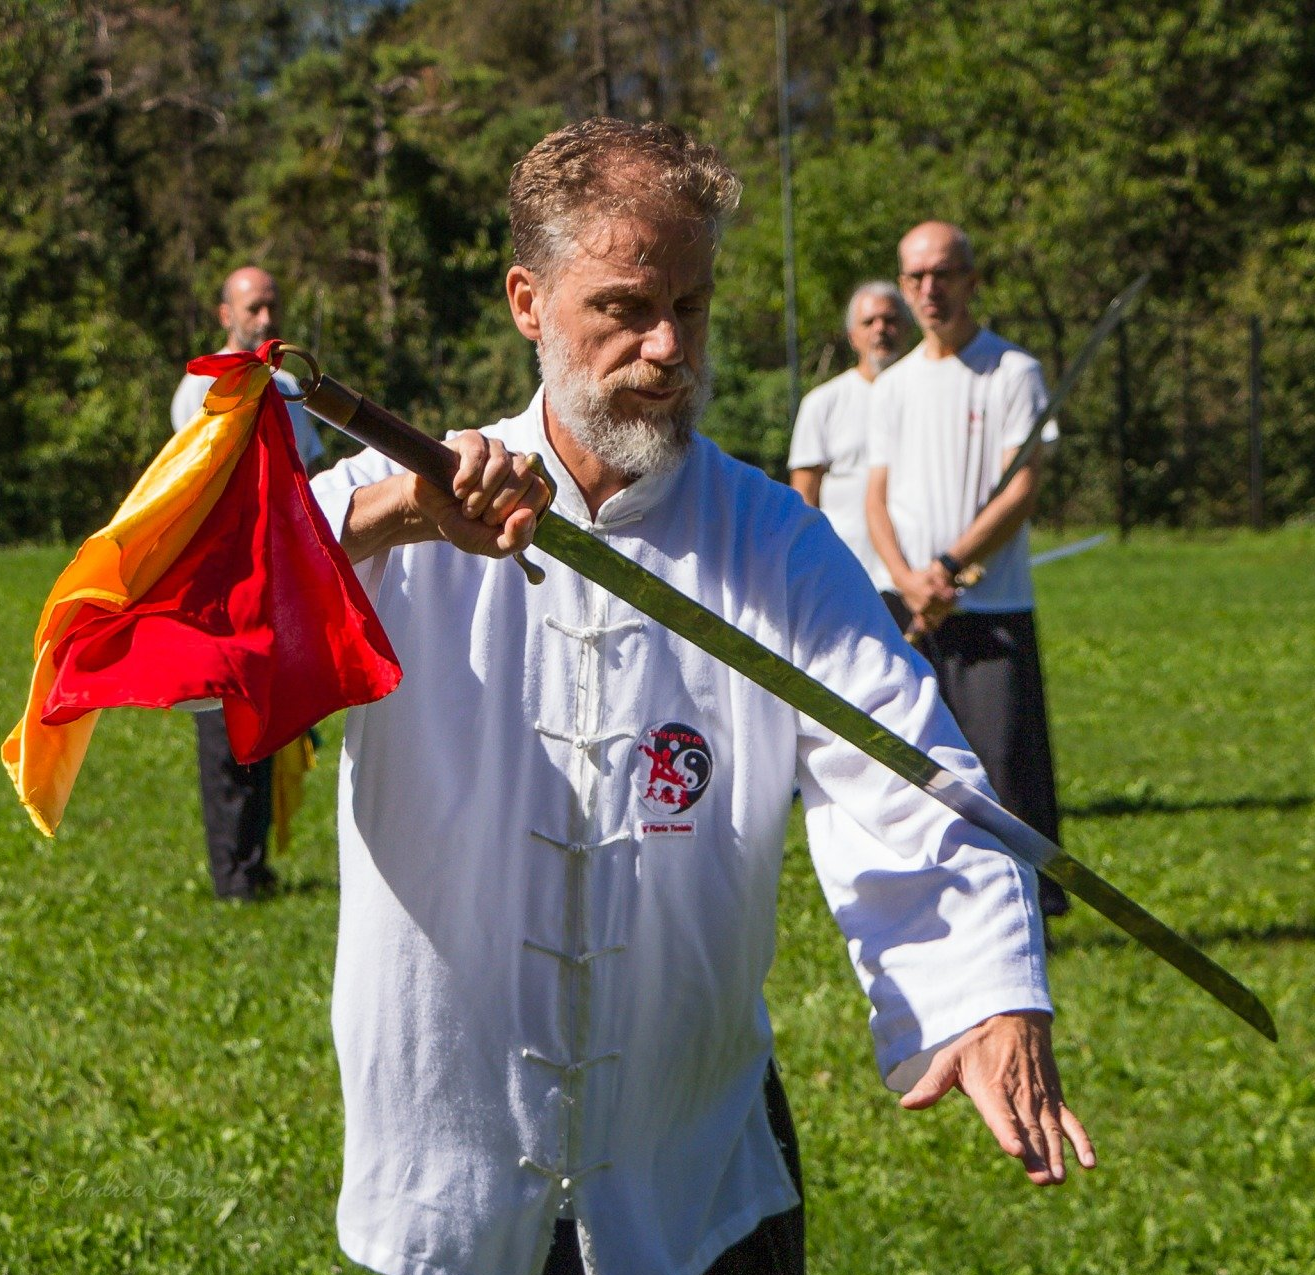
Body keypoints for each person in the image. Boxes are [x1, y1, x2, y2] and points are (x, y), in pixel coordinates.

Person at [311, 123, 1092, 1275]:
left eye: (694, 301)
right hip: (448, 1183)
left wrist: (982, 991)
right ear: (529, 301)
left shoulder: (773, 542)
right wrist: (395, 522)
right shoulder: (391, 502)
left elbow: (907, 771)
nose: (668, 344)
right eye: (625, 307)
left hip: (691, 1186)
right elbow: (186, 613)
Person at [863, 220, 1069, 921]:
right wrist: (906, 576)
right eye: (915, 276)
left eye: (942, 274)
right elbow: (874, 495)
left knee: (1005, 767)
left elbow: (1020, 490)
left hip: (990, 606)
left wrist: (951, 565)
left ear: (971, 281)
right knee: (912, 763)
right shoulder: (890, 386)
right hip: (910, 604)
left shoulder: (1011, 371)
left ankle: (1028, 906)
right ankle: (938, 903)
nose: (928, 289)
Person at [170, 266, 326, 900]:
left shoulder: (285, 383)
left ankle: (255, 865)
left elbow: (314, 470)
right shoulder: (202, 387)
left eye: (272, 306)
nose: (266, 319)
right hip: (226, 581)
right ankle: (232, 874)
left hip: (280, 576)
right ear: (225, 315)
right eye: (254, 308)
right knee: (225, 727)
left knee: (269, 720)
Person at [787, 281, 911, 581]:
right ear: (852, 336)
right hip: (848, 572)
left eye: (890, 320)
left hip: (916, 572)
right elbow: (804, 497)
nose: (880, 329)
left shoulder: (928, 395)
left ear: (908, 328)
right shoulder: (823, 403)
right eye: (869, 322)